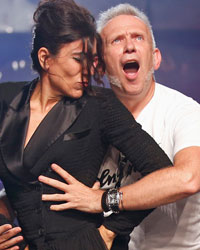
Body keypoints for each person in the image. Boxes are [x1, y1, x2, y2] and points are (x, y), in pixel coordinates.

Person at [0, 1, 173, 250]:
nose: (88, 71)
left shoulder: (99, 105)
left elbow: (162, 174)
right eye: (77, 59)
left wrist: (109, 231)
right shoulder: (5, 100)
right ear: (46, 59)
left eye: (91, 60)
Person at [36, 3, 200, 250]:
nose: (130, 46)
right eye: (117, 41)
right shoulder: (83, 114)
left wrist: (104, 199)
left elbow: (189, 178)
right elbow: (37, 175)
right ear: (100, 66)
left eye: (138, 37)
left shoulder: (185, 112)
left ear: (155, 58)